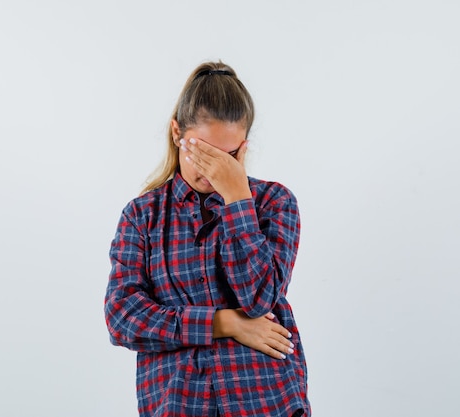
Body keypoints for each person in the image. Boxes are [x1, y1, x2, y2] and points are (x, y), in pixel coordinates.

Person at [104, 61, 310, 417]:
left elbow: (260, 299)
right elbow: (122, 318)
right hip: (179, 403)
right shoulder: (142, 216)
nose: (213, 168)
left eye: (228, 156)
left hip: (265, 401)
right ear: (176, 134)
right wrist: (223, 324)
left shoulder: (274, 203)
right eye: (203, 151)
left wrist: (236, 199)